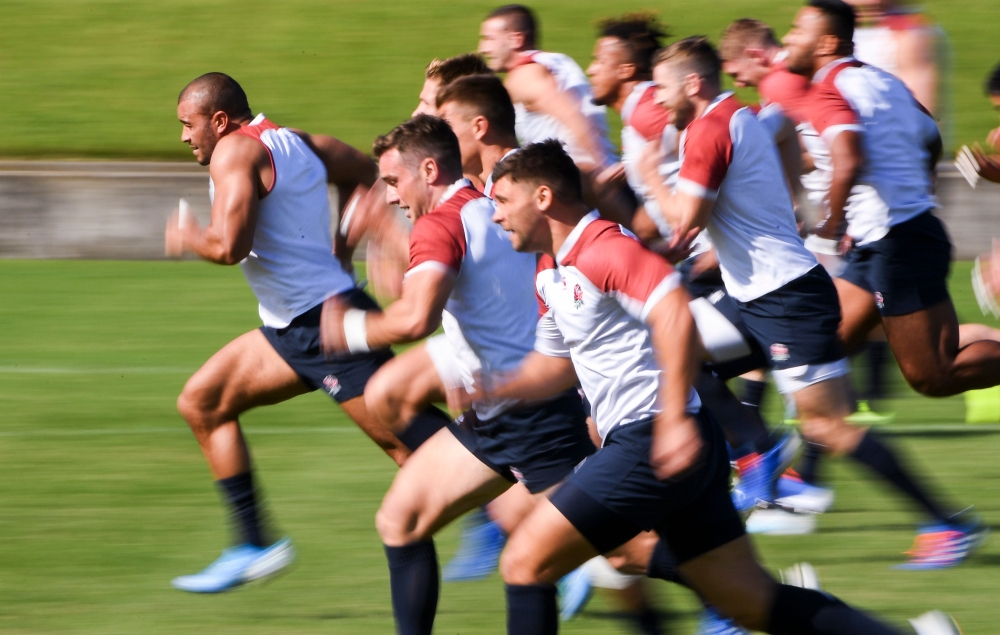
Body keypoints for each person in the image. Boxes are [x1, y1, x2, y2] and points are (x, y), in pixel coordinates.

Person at [484, 139, 958, 635]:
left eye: (502, 201)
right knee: (749, 603)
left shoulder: (604, 247)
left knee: (524, 563)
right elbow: (554, 367)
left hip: (652, 441)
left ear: (542, 197)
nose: (496, 216)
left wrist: (670, 422)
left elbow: (672, 310)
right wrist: (488, 387)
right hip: (670, 444)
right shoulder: (550, 270)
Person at [643, 36, 983, 568]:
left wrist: (646, 175)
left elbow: (683, 227)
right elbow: (782, 132)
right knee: (673, 350)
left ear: (692, 83)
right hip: (761, 294)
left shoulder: (707, 130)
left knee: (827, 425)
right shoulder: (742, 113)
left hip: (785, 301)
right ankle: (757, 449)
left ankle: (947, 522)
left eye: (661, 88)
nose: (657, 100)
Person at [163, 73, 450, 593]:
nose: (185, 137)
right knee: (202, 402)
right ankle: (254, 544)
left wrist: (189, 237)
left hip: (327, 329)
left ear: (219, 121)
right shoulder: (297, 142)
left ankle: (533, 513)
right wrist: (342, 244)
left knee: (422, 454)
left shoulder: (233, 154)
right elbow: (364, 170)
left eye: (189, 124)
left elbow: (229, 246)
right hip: (291, 328)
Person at [319, 116, 595, 635]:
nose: (394, 196)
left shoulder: (440, 224)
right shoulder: (491, 204)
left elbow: (415, 317)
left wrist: (349, 329)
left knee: (620, 552)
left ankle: (746, 598)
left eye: (395, 182)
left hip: (537, 417)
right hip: (495, 414)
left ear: (428, 169)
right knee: (401, 521)